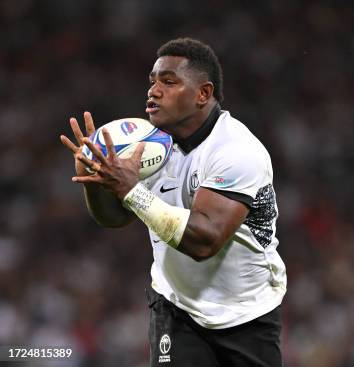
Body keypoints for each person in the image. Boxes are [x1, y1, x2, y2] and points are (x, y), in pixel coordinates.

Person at [60, 37, 286, 367]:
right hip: (175, 308)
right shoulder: (145, 144)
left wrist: (129, 190)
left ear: (203, 94)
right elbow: (115, 219)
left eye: (169, 82)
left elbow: (205, 240)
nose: (153, 91)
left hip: (247, 313)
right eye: (153, 81)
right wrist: (97, 178)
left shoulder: (236, 151)